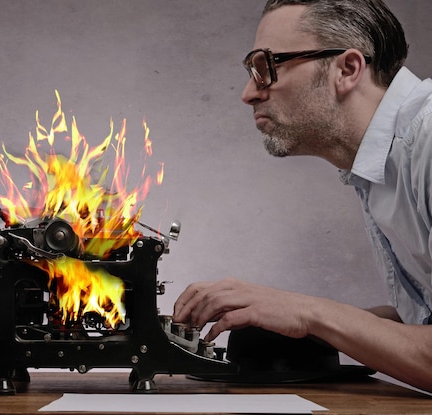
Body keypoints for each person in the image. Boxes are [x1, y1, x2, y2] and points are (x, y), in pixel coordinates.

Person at [173, 0, 432, 392]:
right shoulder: (377, 165)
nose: (248, 93)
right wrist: (284, 318)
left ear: (346, 70)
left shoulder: (427, 139)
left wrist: (309, 313)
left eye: (267, 67)